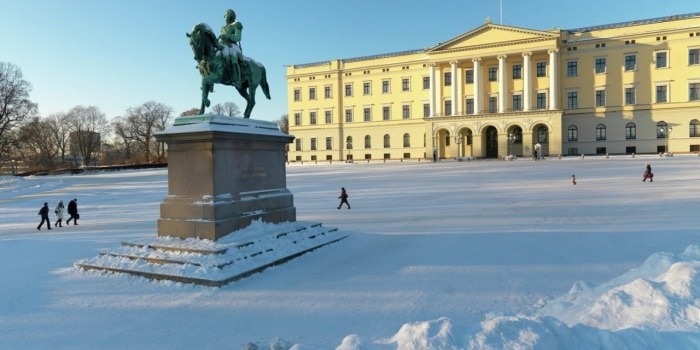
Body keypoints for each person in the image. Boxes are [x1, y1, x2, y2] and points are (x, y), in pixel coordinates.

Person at [218, 9, 244, 88]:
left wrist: (228, 36)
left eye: (227, 15)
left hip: (233, 46)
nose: (225, 17)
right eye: (225, 16)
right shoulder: (223, 28)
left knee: (233, 56)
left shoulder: (236, 25)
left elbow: (238, 38)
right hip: (223, 45)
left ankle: (237, 79)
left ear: (231, 16)